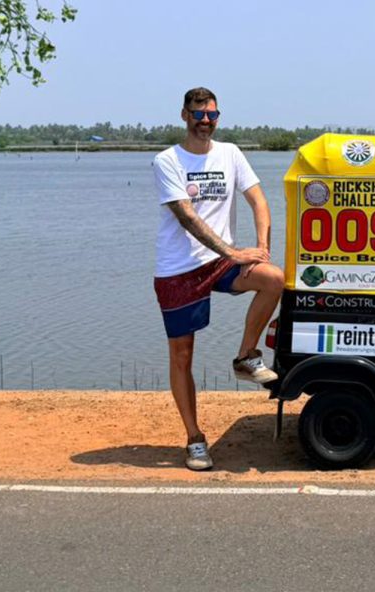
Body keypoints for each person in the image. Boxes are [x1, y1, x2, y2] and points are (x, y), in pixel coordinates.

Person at [152, 87, 285, 470]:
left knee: (273, 278)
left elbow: (258, 200)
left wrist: (260, 247)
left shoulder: (231, 153)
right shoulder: (167, 161)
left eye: (212, 115)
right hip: (179, 267)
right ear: (184, 116)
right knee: (182, 355)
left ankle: (246, 357)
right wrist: (234, 252)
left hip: (222, 261)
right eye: (198, 114)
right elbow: (186, 216)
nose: (205, 121)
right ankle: (194, 438)